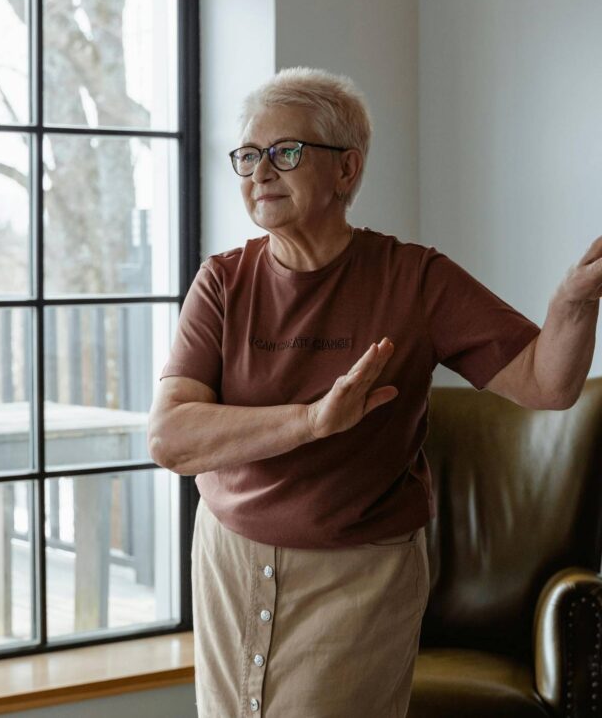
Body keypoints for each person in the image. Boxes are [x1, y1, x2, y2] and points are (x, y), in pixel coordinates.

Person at [147, 67, 601, 718]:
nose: (260, 172)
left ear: (346, 168)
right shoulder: (222, 282)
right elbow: (170, 438)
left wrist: (573, 305)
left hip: (357, 577)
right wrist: (309, 421)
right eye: (247, 155)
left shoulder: (415, 279)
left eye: (285, 151)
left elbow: (546, 383)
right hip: (230, 560)